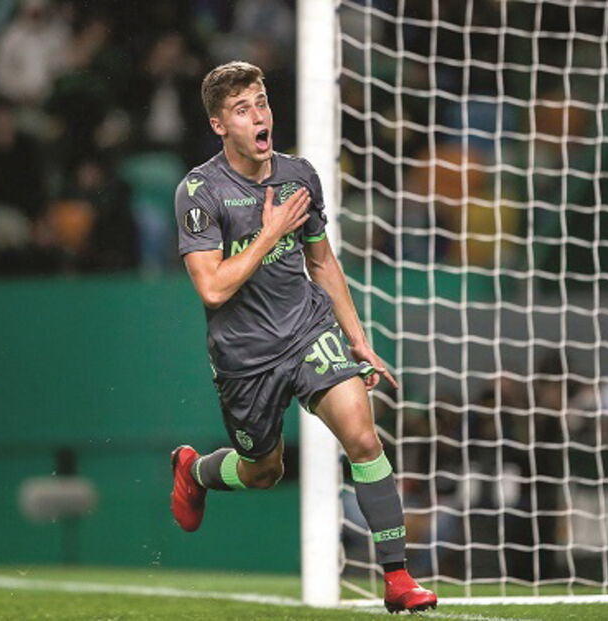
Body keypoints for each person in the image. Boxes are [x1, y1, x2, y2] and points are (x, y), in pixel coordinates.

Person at [168, 61, 437, 613]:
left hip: (308, 331)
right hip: (245, 356)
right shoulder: (199, 190)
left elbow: (323, 262)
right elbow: (213, 289)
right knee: (264, 472)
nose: (259, 116)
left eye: (262, 103)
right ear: (220, 125)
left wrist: (356, 337)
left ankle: (398, 579)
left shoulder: (299, 176)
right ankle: (194, 470)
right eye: (243, 110)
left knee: (364, 439)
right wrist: (268, 234)